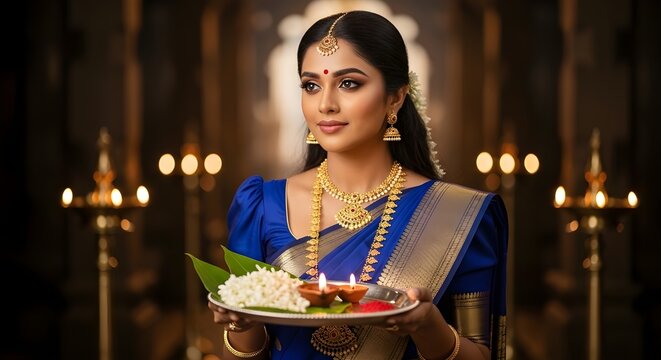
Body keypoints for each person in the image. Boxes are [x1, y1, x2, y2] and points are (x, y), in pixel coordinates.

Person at [208, 10, 508, 360]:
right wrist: (241, 326)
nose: (325, 104)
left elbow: (483, 354)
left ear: (395, 98)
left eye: (349, 83)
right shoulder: (262, 206)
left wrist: (429, 328)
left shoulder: (455, 215)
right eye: (311, 85)